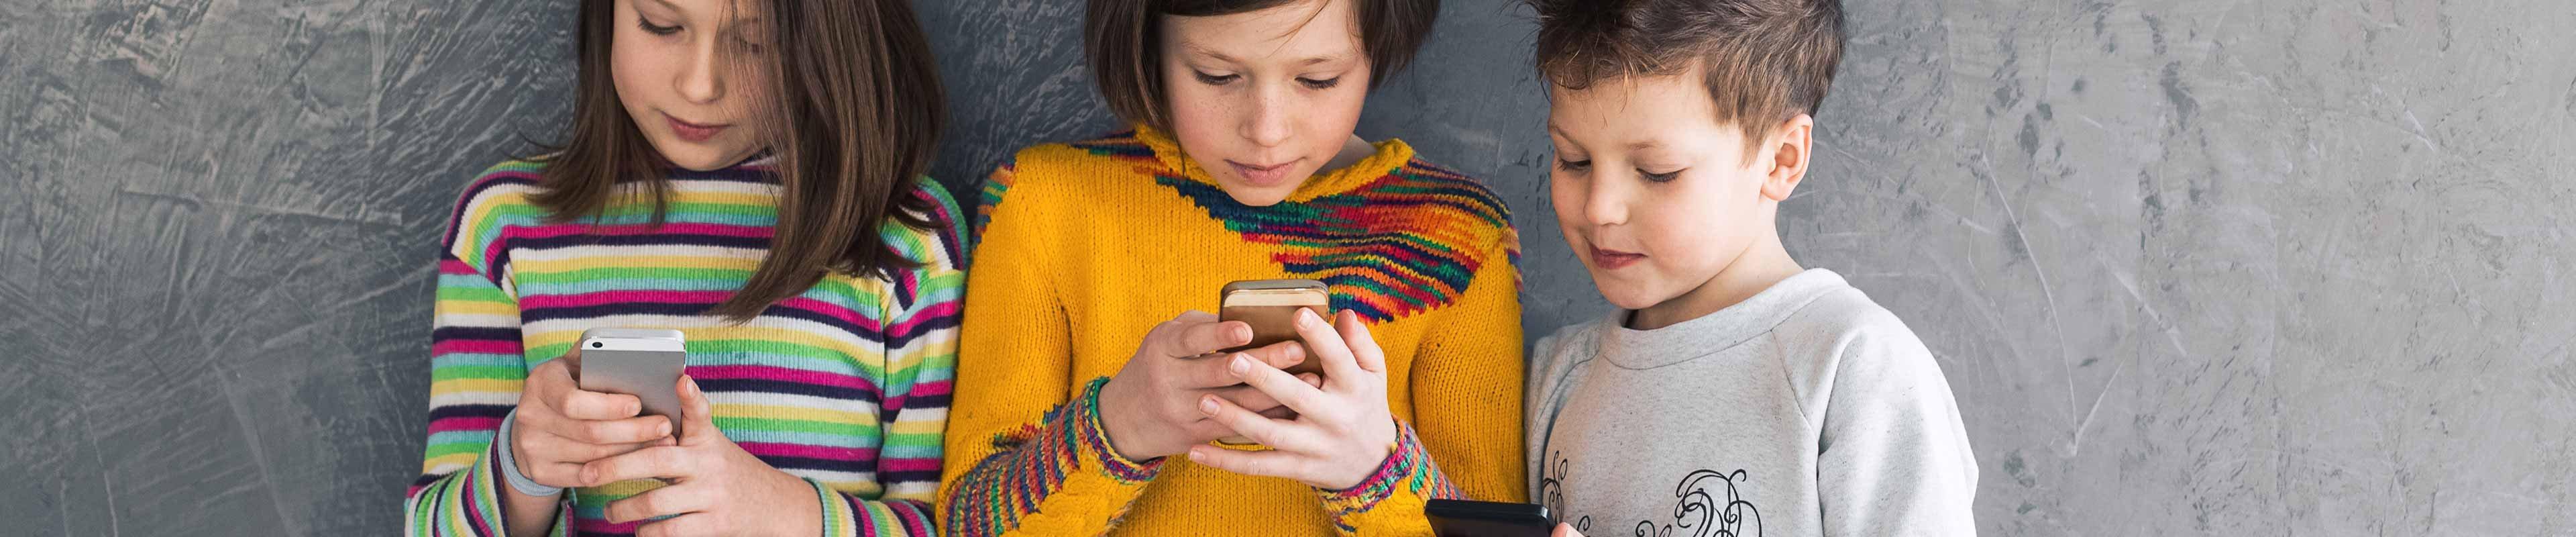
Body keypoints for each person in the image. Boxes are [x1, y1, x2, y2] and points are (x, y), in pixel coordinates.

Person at [938, 0, 1525, 535]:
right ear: (1150, 45)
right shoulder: (1042, 203)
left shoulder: (1459, 240)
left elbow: (1495, 527)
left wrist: (1375, 470)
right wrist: (1120, 425)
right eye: (1217, 75)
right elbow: (969, 522)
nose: (1265, 131)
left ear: (1377, 47)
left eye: (1318, 79)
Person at [400, 0, 961, 534]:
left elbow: (951, 522)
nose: (700, 86)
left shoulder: (909, 242)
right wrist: (522, 465)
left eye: (755, 42)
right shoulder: (502, 230)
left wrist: (781, 512)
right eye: (661, 25)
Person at [1519, 0, 1980, 535]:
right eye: (1574, 160)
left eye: (1656, 172)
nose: (1600, 207)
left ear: (1781, 160)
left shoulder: (1853, 370)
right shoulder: (1559, 376)